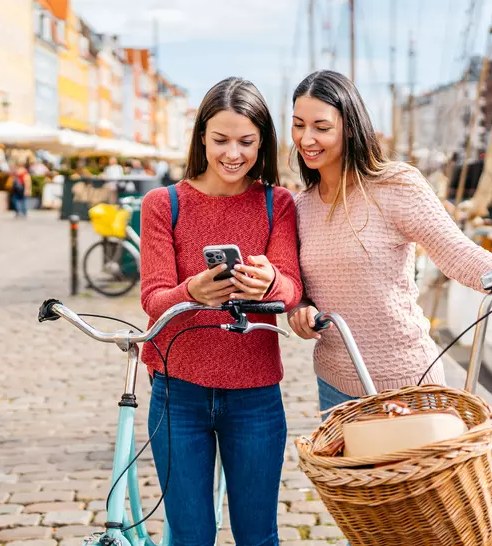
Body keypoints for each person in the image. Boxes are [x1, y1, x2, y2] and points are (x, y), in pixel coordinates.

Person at [285, 70, 492, 412]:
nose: (306, 138)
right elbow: (301, 288)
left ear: (349, 127)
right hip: (334, 385)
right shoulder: (301, 206)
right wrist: (299, 310)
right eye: (298, 125)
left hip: (408, 382)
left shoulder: (396, 186)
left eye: (321, 127)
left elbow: (455, 251)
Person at [139, 77, 302, 545]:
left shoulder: (278, 203)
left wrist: (269, 282)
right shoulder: (162, 204)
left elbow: (290, 291)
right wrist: (193, 292)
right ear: (202, 139)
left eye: (247, 142)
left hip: (254, 395)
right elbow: (153, 300)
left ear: (263, 142)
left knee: (257, 536)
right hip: (178, 394)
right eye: (221, 140)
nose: (234, 153)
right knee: (190, 537)